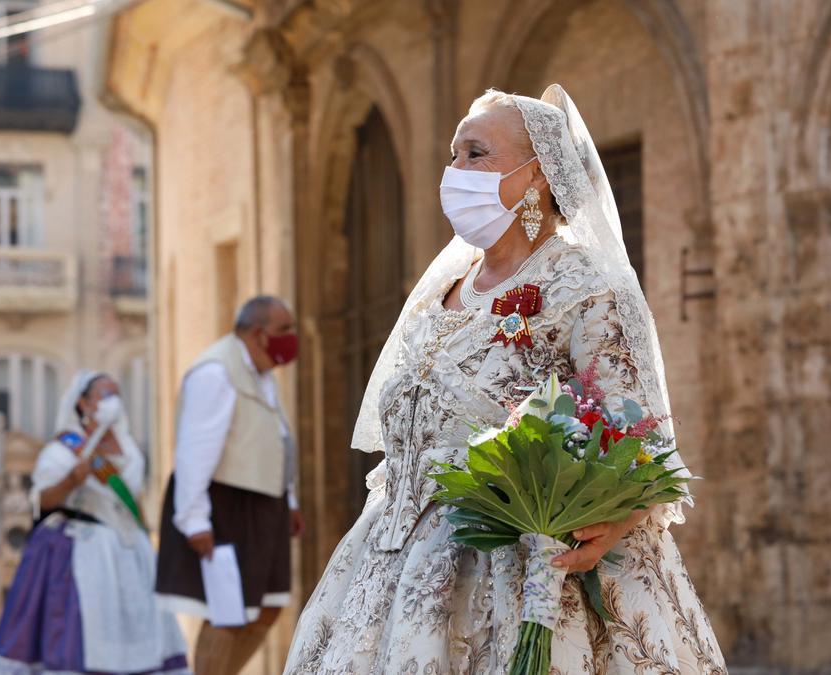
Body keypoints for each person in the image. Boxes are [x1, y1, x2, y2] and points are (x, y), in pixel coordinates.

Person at [282, 85, 725, 673]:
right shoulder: (444, 291)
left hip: (525, 579)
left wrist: (607, 522)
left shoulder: (586, 287)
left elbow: (639, 439)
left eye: (475, 154)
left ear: (536, 175)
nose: (454, 171)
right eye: (453, 156)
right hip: (390, 571)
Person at [0, 371, 188, 674]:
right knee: (86, 626)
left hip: (130, 552)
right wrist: (72, 480)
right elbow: (41, 501)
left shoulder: (126, 444)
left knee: (137, 628)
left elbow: (133, 499)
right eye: (104, 395)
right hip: (85, 553)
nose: (112, 402)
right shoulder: (64, 448)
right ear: (83, 403)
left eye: (116, 394)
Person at [155, 295, 304, 675]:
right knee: (227, 612)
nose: (292, 336)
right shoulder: (215, 372)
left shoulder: (262, 372)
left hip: (263, 506)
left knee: (266, 607)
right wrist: (194, 520)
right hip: (225, 505)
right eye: (284, 329)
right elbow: (193, 451)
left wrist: (287, 500)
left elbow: (276, 439)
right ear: (258, 334)